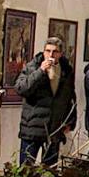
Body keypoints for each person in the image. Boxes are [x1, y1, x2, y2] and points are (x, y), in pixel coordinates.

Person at [16, 37, 76, 166]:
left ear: (60, 53)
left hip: (54, 128)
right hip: (33, 126)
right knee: (25, 169)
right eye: (48, 51)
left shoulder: (66, 70)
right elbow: (21, 89)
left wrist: (70, 121)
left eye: (55, 51)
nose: (51, 54)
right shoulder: (33, 66)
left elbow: (70, 96)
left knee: (49, 170)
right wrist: (40, 72)